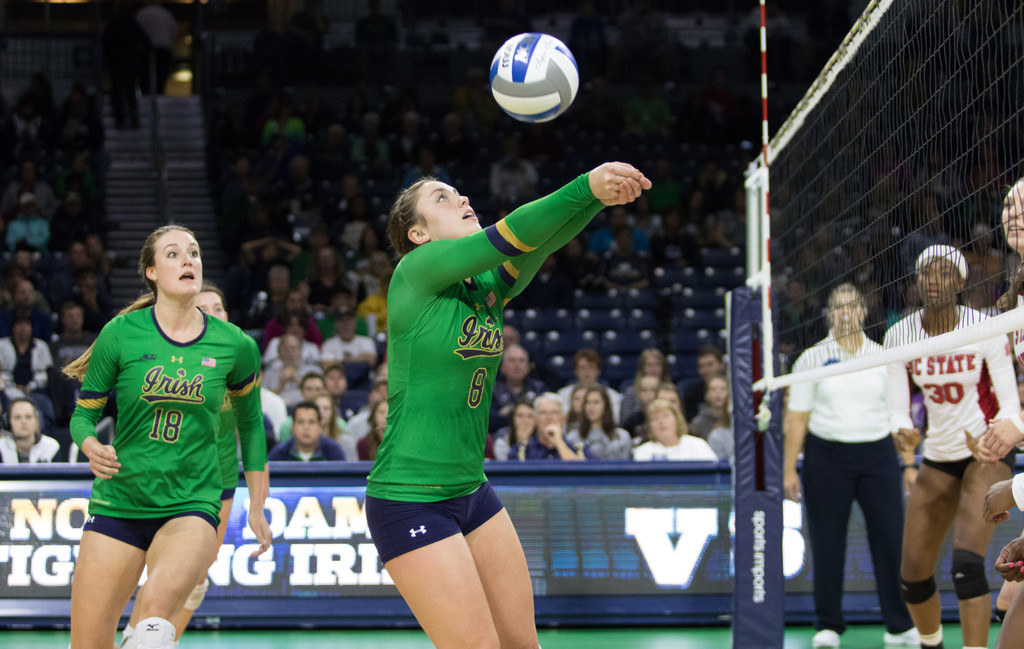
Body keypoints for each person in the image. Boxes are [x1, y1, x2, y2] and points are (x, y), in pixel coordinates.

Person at [365, 162, 648, 647]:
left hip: (473, 492)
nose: (461, 199)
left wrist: (597, 202)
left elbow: (538, 241)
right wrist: (585, 184)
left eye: (458, 191)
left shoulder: (486, 287)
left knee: (523, 644)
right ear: (418, 233)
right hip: (409, 498)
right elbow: (514, 234)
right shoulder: (415, 270)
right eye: (442, 199)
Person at [64, 225, 270, 649]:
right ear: (152, 271)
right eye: (174, 254)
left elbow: (251, 427)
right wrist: (89, 444)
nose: (188, 260)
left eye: (194, 252)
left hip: (191, 504)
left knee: (153, 624)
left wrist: (257, 506)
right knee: (87, 644)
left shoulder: (235, 344)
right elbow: (84, 415)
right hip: (120, 500)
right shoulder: (120, 333)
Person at [120, 280, 270, 647]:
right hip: (159, 482)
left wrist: (257, 506)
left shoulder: (238, 356)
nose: (215, 314)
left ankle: (150, 639)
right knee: (161, 577)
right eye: (205, 308)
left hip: (215, 486)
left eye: (219, 307)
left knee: (194, 579)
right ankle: (136, 636)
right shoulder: (172, 358)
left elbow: (252, 433)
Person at [885, 244, 1019, 649]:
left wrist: (996, 435)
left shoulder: (984, 326)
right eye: (927, 273)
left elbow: (1011, 403)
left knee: (966, 565)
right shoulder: (900, 334)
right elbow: (897, 410)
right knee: (913, 575)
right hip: (940, 455)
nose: (935, 280)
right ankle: (932, 644)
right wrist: (903, 431)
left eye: (945, 273)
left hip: (987, 454)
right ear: (916, 281)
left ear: (960, 281)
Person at [783, 283, 918, 648]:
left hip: (877, 455)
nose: (845, 313)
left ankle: (899, 624)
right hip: (825, 456)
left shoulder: (882, 356)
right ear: (829, 314)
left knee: (890, 542)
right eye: (838, 307)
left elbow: (898, 415)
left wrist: (908, 464)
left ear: (862, 311)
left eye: (851, 306)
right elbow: (796, 419)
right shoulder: (811, 359)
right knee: (828, 543)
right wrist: (788, 468)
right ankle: (828, 624)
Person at [633, 399, 716, 461]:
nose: (661, 421)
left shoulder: (698, 445)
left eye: (666, 416)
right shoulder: (643, 452)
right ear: (650, 426)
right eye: (655, 418)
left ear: (677, 420)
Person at [489, 343, 546, 433]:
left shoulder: (539, 388)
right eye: (512, 360)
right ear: (502, 367)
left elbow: (545, 418)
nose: (517, 365)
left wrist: (508, 414)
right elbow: (489, 421)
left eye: (521, 360)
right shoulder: (491, 389)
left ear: (528, 367)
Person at [566, 387, 632, 459]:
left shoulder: (621, 436)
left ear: (606, 406)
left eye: (596, 402)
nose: (591, 407)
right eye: (588, 402)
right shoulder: (573, 437)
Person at [268, 400, 346, 461]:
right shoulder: (279, 453)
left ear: (319, 426)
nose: (306, 428)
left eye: (311, 422)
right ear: (293, 426)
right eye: (300, 422)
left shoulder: (333, 451)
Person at [0, 397, 60, 464]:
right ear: (8, 422)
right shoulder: (1, 447)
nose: (23, 421)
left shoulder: (51, 447)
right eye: (17, 417)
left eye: (28, 417)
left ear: (37, 420)